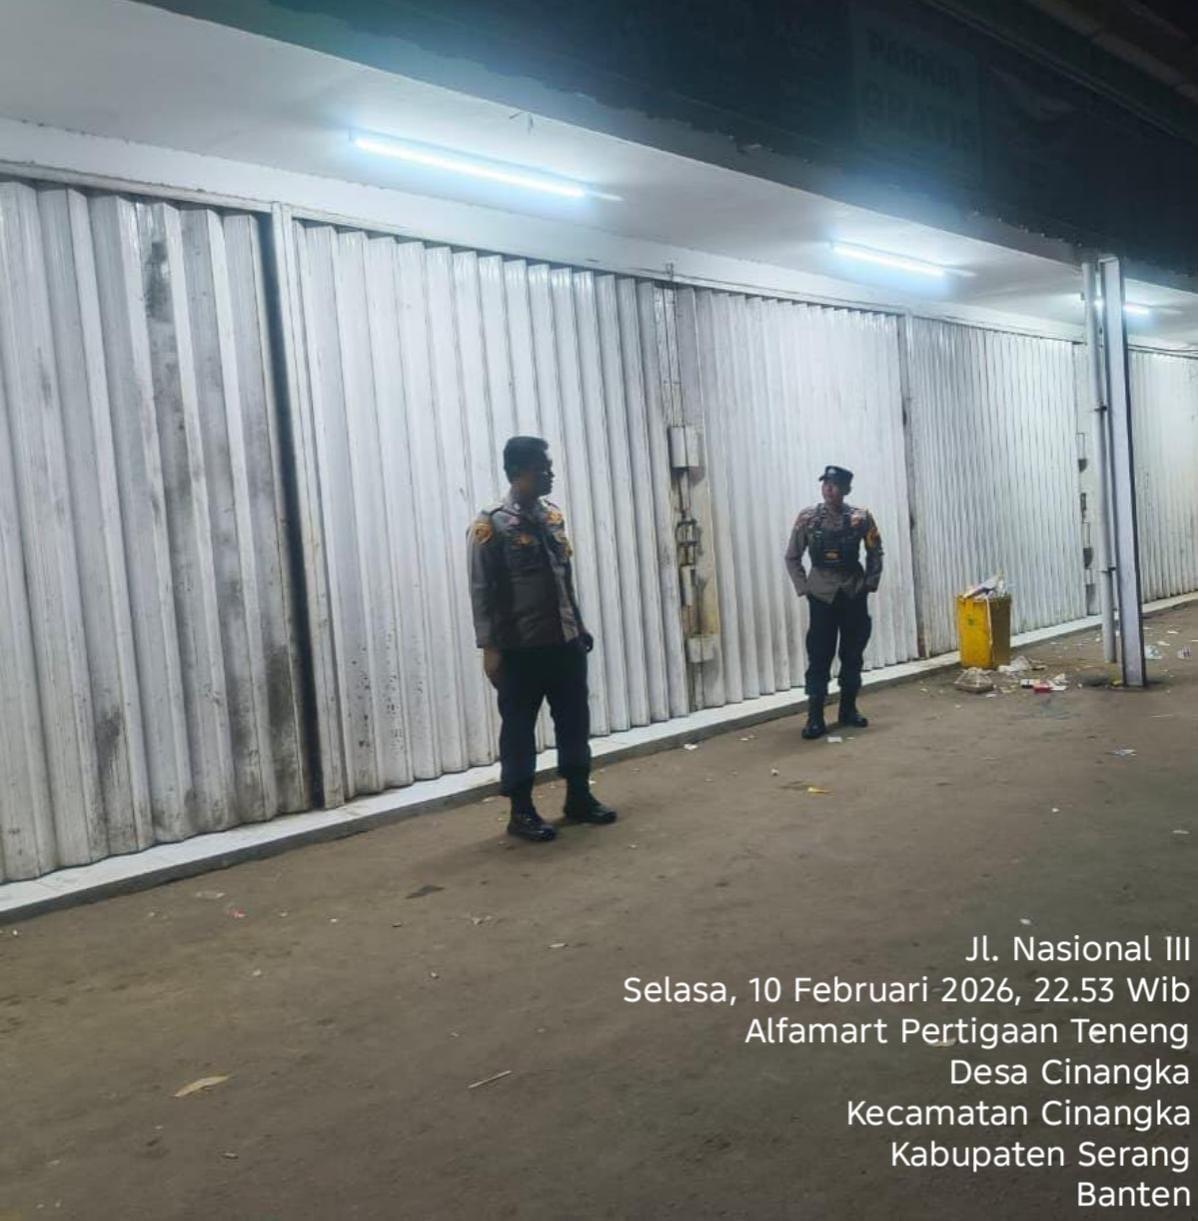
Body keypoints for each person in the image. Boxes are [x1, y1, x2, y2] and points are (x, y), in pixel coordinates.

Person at [467, 436, 618, 842]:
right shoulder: (491, 524)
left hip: (564, 643)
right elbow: (482, 591)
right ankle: (521, 811)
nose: (550, 474)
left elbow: (563, 578)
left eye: (550, 467)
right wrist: (490, 649)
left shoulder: (552, 516)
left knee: (574, 722)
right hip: (521, 649)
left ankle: (578, 796)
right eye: (542, 468)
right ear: (518, 472)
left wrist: (579, 625)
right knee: (519, 730)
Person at [785, 465, 884, 740]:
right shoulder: (808, 518)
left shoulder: (861, 518)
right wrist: (804, 587)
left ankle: (848, 709)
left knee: (853, 653)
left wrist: (870, 583)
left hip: (853, 592)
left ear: (847, 489)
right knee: (819, 655)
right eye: (826, 484)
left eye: (835, 485)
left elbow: (875, 551)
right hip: (822, 596)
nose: (829, 489)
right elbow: (792, 556)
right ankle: (815, 717)